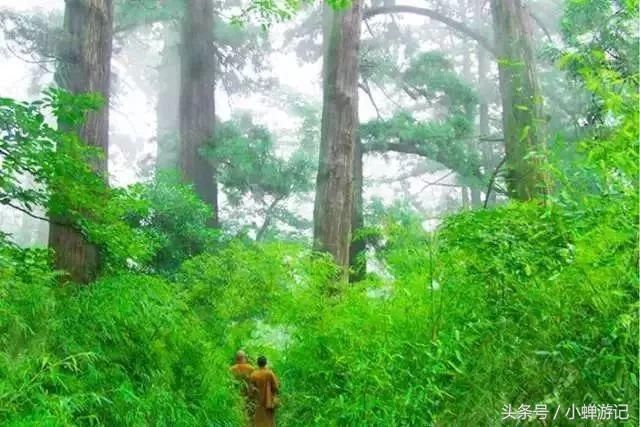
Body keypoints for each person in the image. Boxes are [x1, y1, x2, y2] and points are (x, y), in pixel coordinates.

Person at [249, 355, 280, 427]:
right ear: (265, 363)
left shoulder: (253, 374)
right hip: (268, 403)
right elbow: (276, 387)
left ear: (257, 363)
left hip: (258, 403)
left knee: (258, 421)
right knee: (269, 422)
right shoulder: (270, 373)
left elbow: (251, 390)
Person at [229, 350, 255, 424]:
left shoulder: (231, 369)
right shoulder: (251, 368)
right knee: (247, 411)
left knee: (238, 410)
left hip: (236, 394)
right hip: (248, 394)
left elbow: (229, 382)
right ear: (244, 358)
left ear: (236, 359)